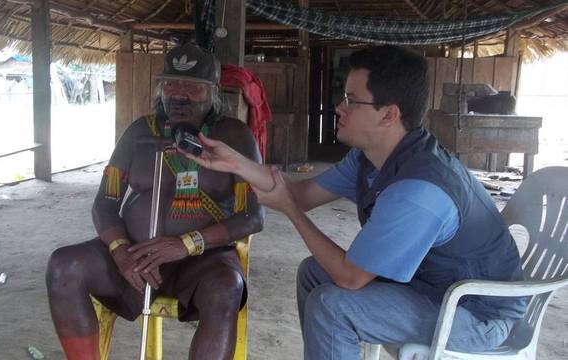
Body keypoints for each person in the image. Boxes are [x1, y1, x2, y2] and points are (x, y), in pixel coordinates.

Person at [186, 45, 527, 359]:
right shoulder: (372, 157)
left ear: (388, 115)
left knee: (334, 305)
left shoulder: (419, 190)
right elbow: (301, 195)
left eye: (352, 99)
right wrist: (235, 162)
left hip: (477, 314)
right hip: (432, 287)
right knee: (314, 273)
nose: (339, 107)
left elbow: (351, 277)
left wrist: (289, 211)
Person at [46, 42, 264, 360]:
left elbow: (253, 216)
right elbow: (104, 205)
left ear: (213, 92)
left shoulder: (233, 137)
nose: (178, 94)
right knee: (65, 265)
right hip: (134, 258)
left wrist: (186, 243)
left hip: (203, 260)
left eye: (192, 87)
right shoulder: (138, 133)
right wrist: (120, 251)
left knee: (225, 288)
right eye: (170, 84)